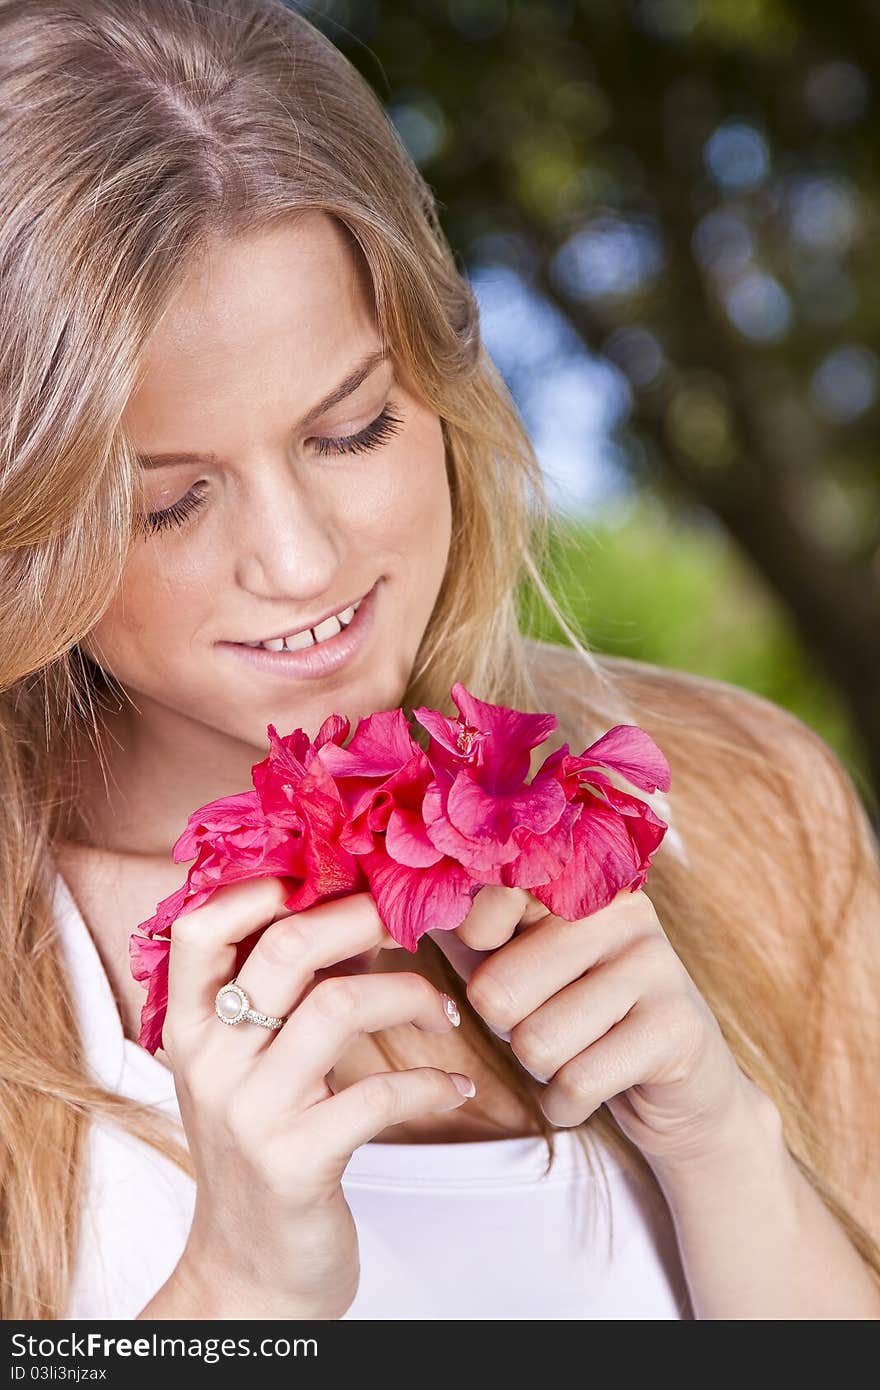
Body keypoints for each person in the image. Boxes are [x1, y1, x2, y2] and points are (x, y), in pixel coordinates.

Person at [1, 0, 878, 1323]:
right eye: (167, 502)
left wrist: (725, 1147)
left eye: (351, 430)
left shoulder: (749, 803)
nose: (300, 563)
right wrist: (238, 1286)